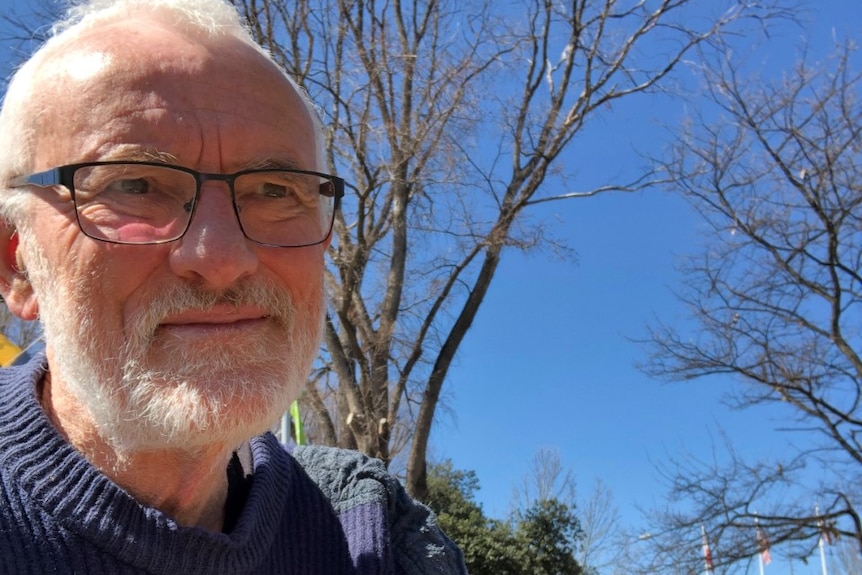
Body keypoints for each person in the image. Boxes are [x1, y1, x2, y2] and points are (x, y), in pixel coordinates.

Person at [0, 0, 466, 573]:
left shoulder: (371, 535)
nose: (221, 259)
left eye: (275, 191)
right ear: (16, 265)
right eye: (137, 184)